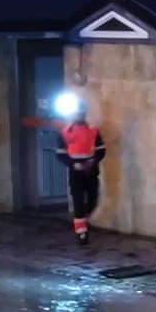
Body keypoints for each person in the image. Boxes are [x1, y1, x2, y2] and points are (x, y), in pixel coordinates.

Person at [56, 95, 106, 245]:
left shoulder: (93, 131)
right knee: (78, 201)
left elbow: (101, 150)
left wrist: (93, 160)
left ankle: (82, 221)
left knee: (92, 200)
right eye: (77, 112)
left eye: (81, 112)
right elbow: (60, 154)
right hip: (76, 172)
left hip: (91, 171)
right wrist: (73, 164)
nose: (79, 115)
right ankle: (81, 233)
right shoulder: (65, 133)